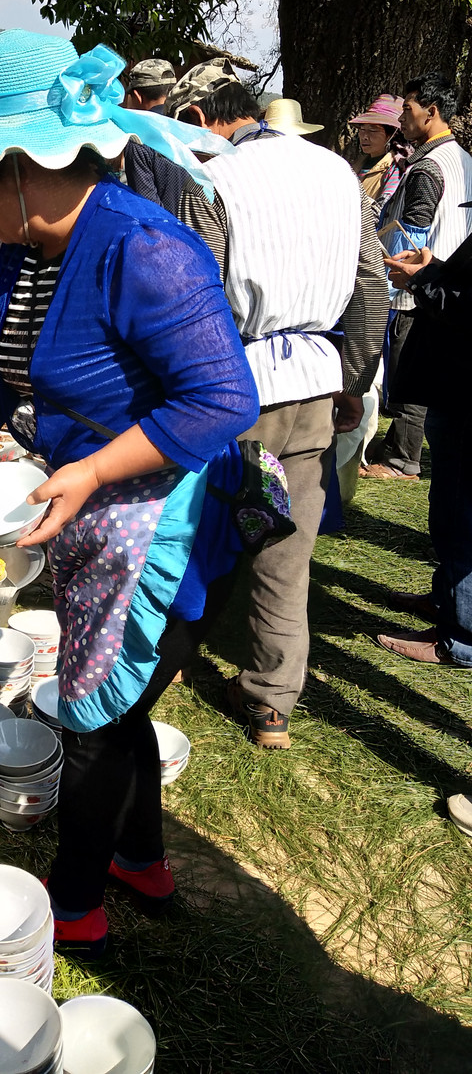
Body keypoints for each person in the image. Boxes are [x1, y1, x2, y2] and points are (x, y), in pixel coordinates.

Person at [0, 29, 259, 952]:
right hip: (90, 503)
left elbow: (225, 398)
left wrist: (93, 467)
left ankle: (73, 904)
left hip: (160, 513)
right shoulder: (33, 252)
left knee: (93, 718)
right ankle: (141, 857)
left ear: (24, 166)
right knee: (122, 706)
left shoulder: (145, 250)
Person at [181, 80, 388, 749]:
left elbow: (197, 288)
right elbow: (371, 284)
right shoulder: (342, 177)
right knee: (287, 547)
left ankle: (170, 653)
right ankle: (272, 703)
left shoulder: (216, 178)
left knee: (199, 529)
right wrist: (353, 375)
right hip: (312, 382)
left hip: (233, 376)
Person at [364, 72, 472, 481]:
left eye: (408, 109)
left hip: (421, 282)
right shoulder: (463, 158)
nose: (403, 117)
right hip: (452, 280)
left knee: (411, 368)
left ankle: (401, 458)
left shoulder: (428, 165)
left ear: (432, 111)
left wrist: (395, 269)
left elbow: (415, 228)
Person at [373, 235, 472, 668]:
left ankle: (460, 638)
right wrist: (435, 267)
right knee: (449, 509)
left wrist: (425, 278)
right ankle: (446, 602)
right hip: (455, 389)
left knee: (462, 517)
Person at [348, 94, 408, 215]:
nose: (364, 136)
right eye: (362, 129)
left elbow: (384, 209)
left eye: (373, 130)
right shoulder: (357, 165)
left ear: (392, 134)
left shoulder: (395, 168)